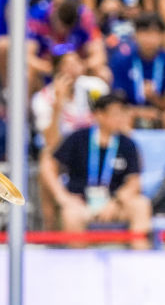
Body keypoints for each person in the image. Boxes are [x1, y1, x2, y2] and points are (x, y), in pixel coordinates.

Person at [42, 92, 151, 248]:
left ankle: (140, 256)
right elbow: (48, 164)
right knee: (71, 214)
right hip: (82, 203)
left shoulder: (128, 144)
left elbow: (134, 182)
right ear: (99, 115)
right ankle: (78, 259)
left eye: (123, 113)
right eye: (115, 114)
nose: (120, 118)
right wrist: (62, 196)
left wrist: (115, 202)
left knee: (141, 205)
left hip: (115, 204)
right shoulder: (78, 138)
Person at [0, 0, 107, 91]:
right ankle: (20, 106)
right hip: (46, 67)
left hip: (77, 67)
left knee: (103, 73)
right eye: (61, 24)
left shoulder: (85, 17)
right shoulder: (38, 15)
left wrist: (79, 66)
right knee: (27, 71)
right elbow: (28, 56)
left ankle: (99, 109)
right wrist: (50, 68)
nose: (63, 30)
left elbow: (99, 56)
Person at [32, 50, 109, 150]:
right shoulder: (42, 98)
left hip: (93, 147)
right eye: (67, 65)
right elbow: (50, 141)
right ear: (56, 69)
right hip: (61, 148)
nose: (73, 68)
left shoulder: (96, 87)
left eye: (77, 63)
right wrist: (57, 106)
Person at [109, 11, 165, 126]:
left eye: (155, 33)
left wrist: (155, 98)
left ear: (162, 36)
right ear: (135, 34)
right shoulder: (121, 59)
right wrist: (139, 112)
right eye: (145, 32)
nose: (150, 39)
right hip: (130, 112)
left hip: (159, 113)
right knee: (120, 117)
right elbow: (117, 99)